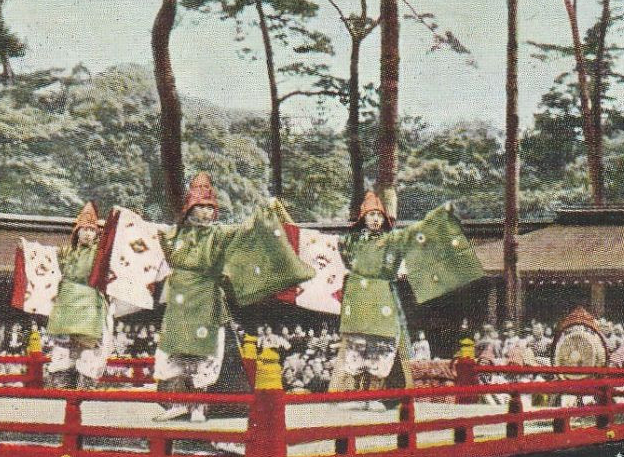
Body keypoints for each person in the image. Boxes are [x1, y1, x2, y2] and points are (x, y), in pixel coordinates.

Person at [150, 173, 310, 422]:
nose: (205, 212)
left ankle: (200, 406)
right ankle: (178, 403)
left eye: (209, 208)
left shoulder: (219, 234)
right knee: (174, 353)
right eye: (200, 207)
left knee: (204, 355)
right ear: (189, 209)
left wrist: (263, 214)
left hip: (206, 297)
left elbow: (246, 230)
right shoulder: (174, 235)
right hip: (179, 300)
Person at [323, 188, 484, 409]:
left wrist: (438, 216)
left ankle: (376, 396)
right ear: (363, 218)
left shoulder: (392, 241)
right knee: (356, 350)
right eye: (371, 215)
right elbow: (326, 246)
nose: (376, 219)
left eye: (379, 215)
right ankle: (356, 396)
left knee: (379, 349)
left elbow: (415, 232)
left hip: (381, 302)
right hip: (357, 303)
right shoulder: (351, 242)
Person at [43, 202, 113, 390]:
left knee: (88, 347)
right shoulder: (67, 252)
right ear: (77, 232)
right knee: (64, 347)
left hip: (89, 301)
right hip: (66, 302)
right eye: (85, 230)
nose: (89, 233)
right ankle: (62, 384)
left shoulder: (99, 253)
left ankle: (85, 385)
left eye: (92, 230)